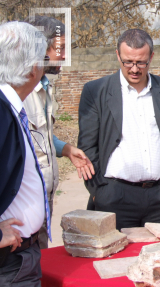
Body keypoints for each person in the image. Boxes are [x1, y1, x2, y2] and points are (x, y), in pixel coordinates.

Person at [78, 29, 160, 230]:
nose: (134, 69)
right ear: (118, 55)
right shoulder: (95, 91)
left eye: (141, 62)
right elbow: (87, 147)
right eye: (128, 61)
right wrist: (99, 191)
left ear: (151, 57)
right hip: (114, 199)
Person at [24, 15, 95, 249]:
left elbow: (37, 136)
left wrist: (66, 149)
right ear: (38, 48)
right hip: (21, 210)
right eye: (59, 48)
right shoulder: (17, 94)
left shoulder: (43, 85)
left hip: (43, 204)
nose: (64, 56)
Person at [0, 21, 48, 286]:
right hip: (10, 264)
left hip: (19, 259)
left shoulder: (10, 107)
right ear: (33, 68)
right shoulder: (2, 112)